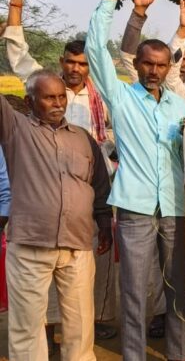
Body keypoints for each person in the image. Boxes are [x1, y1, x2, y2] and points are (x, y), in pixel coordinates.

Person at [1, 0, 119, 343]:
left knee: (85, 284)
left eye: (82, 64)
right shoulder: (43, 88)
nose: (74, 69)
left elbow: (109, 145)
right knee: (36, 298)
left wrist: (102, 208)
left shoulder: (103, 99)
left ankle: (90, 327)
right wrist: (16, 3)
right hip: (40, 204)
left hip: (88, 200)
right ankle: (47, 333)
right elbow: (18, 53)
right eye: (70, 62)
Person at [84, 0, 185, 361]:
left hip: (175, 208)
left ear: (168, 67)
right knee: (133, 291)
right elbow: (95, 49)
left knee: (178, 289)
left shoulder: (180, 106)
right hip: (134, 208)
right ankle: (134, 356)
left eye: (161, 65)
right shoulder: (121, 96)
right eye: (147, 63)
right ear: (137, 63)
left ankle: (178, 354)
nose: (154, 70)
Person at [0, 69, 112, 360]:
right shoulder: (16, 130)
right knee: (27, 326)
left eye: (62, 97)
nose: (58, 103)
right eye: (49, 98)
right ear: (30, 101)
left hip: (77, 245)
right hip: (31, 245)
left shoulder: (82, 138)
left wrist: (104, 223)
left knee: (81, 325)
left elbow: (99, 184)